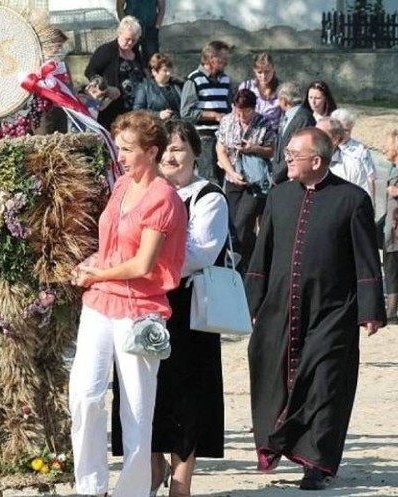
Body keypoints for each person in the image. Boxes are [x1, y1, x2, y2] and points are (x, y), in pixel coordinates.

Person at [246, 128, 385, 491]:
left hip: (333, 311)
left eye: (294, 153)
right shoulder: (277, 197)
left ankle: (317, 464)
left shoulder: (352, 199)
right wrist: (250, 302)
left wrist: (369, 310)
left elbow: (366, 259)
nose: (287, 157)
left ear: (317, 160)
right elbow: (262, 255)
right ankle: (276, 443)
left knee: (325, 384)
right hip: (281, 307)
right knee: (272, 373)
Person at [69, 110, 188, 497]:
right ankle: (90, 487)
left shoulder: (164, 198)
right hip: (100, 302)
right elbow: (112, 247)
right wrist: (91, 264)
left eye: (127, 149)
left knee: (136, 408)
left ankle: (133, 491)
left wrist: (96, 274)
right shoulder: (121, 185)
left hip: (140, 309)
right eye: (118, 147)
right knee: (84, 395)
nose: (119, 155)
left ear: (151, 152)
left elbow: (142, 264)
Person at [111, 119, 229, 497]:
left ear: (196, 153)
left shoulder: (208, 197)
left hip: (186, 306)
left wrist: (145, 260)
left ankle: (182, 480)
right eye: (168, 149)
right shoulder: (138, 191)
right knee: (143, 391)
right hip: (143, 301)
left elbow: (198, 253)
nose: (173, 156)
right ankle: (151, 464)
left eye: (181, 149)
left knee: (187, 395)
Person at [215, 89, 275, 273]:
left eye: (246, 111)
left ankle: (239, 265)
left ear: (254, 109)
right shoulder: (227, 121)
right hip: (233, 178)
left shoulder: (263, 123)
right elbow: (221, 149)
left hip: (254, 182)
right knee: (233, 223)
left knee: (243, 222)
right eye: (238, 110)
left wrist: (254, 148)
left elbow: (271, 150)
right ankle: (250, 262)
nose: (242, 115)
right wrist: (231, 173)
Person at [180, 40, 232, 185]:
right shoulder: (194, 79)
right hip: (204, 137)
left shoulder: (225, 80)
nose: (226, 63)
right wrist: (214, 115)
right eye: (222, 59)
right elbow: (186, 112)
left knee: (225, 178)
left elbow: (229, 108)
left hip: (224, 138)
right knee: (209, 178)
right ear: (211, 58)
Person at [84, 15, 146, 129]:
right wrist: (105, 87)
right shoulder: (107, 50)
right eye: (127, 39)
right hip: (113, 108)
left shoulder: (136, 52)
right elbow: (90, 71)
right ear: (119, 33)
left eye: (134, 40)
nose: (130, 43)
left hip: (135, 108)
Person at [316, 117, 371, 198]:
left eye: (319, 134)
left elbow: (364, 199)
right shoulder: (304, 162)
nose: (313, 138)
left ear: (335, 139)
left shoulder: (353, 166)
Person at [271, 82, 315, 184]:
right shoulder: (287, 117)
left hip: (291, 178)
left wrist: (277, 175)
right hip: (281, 176)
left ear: (284, 100)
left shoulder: (303, 119)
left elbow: (295, 150)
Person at [331, 108, 377, 200]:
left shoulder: (360, 150)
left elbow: (370, 178)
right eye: (340, 129)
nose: (343, 134)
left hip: (353, 198)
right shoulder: (325, 147)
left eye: (346, 130)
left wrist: (371, 205)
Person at [382, 129, 398, 324]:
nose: (384, 149)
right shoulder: (392, 168)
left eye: (387, 146)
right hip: (392, 228)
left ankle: (391, 312)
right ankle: (391, 312)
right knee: (391, 268)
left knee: (395, 268)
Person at [238, 52, 281, 130]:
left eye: (267, 72)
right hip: (250, 131)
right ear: (254, 71)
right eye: (260, 72)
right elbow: (237, 109)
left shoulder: (281, 89)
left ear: (273, 69)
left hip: (273, 132)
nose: (263, 76)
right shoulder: (246, 87)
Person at [115, 0, 165, 67]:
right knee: (130, 55)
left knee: (152, 57)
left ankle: (151, 75)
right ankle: (132, 74)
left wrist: (157, 26)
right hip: (131, 28)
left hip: (150, 27)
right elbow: (119, 7)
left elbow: (162, 8)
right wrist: (125, 26)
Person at [132, 52, 181, 120]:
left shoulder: (177, 85)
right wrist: (158, 115)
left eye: (170, 70)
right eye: (165, 70)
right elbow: (137, 111)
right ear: (154, 72)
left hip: (177, 126)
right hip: (155, 127)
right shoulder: (145, 88)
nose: (168, 73)